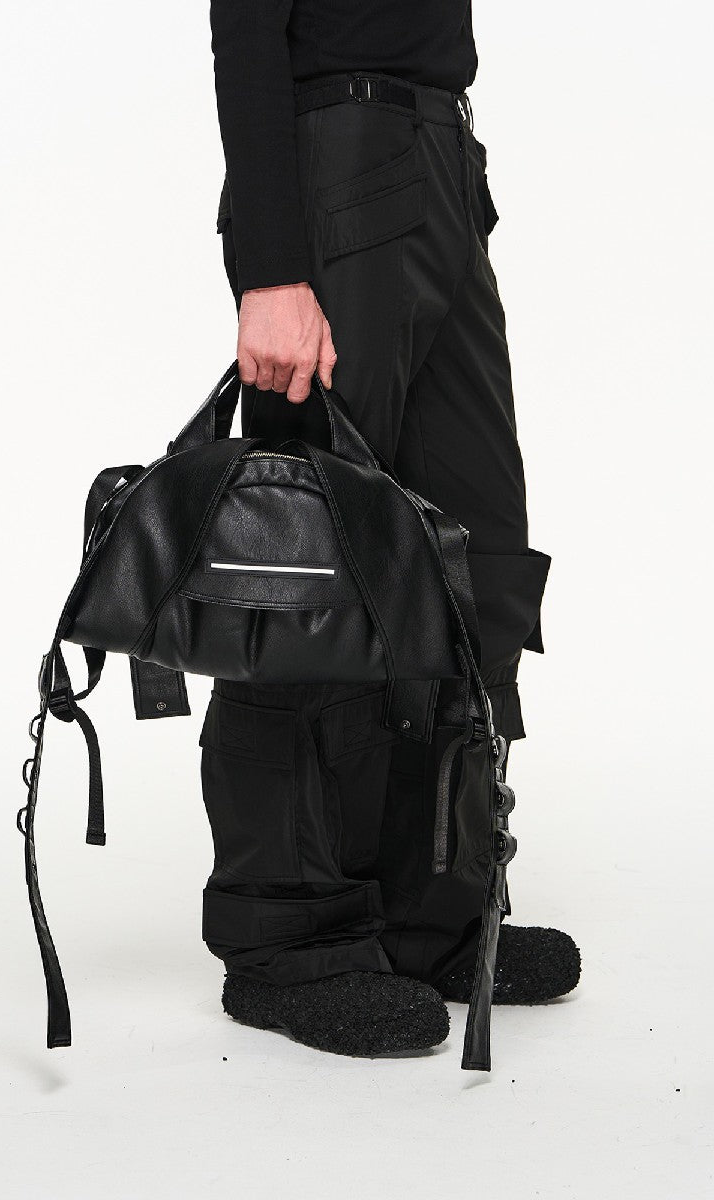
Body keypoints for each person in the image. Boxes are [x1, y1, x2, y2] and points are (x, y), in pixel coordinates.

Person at [202, 0, 581, 1056]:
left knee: (473, 542)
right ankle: (286, 941)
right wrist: (270, 268)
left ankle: (430, 909)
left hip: (443, 158)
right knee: (311, 562)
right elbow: (246, 28)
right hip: (338, 164)